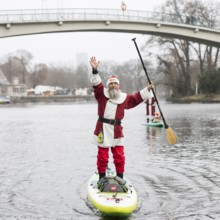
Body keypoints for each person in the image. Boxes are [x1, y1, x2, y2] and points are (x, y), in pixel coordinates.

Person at [89, 56, 154, 181]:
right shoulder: (102, 95)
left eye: (115, 83)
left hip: (117, 129)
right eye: (111, 84)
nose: (113, 85)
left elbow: (136, 97)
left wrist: (148, 89)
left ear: (118, 86)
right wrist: (95, 71)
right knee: (103, 156)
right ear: (109, 86)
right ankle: (102, 178)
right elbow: (97, 85)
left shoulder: (124, 98)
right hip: (103, 128)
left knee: (119, 155)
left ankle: (120, 177)